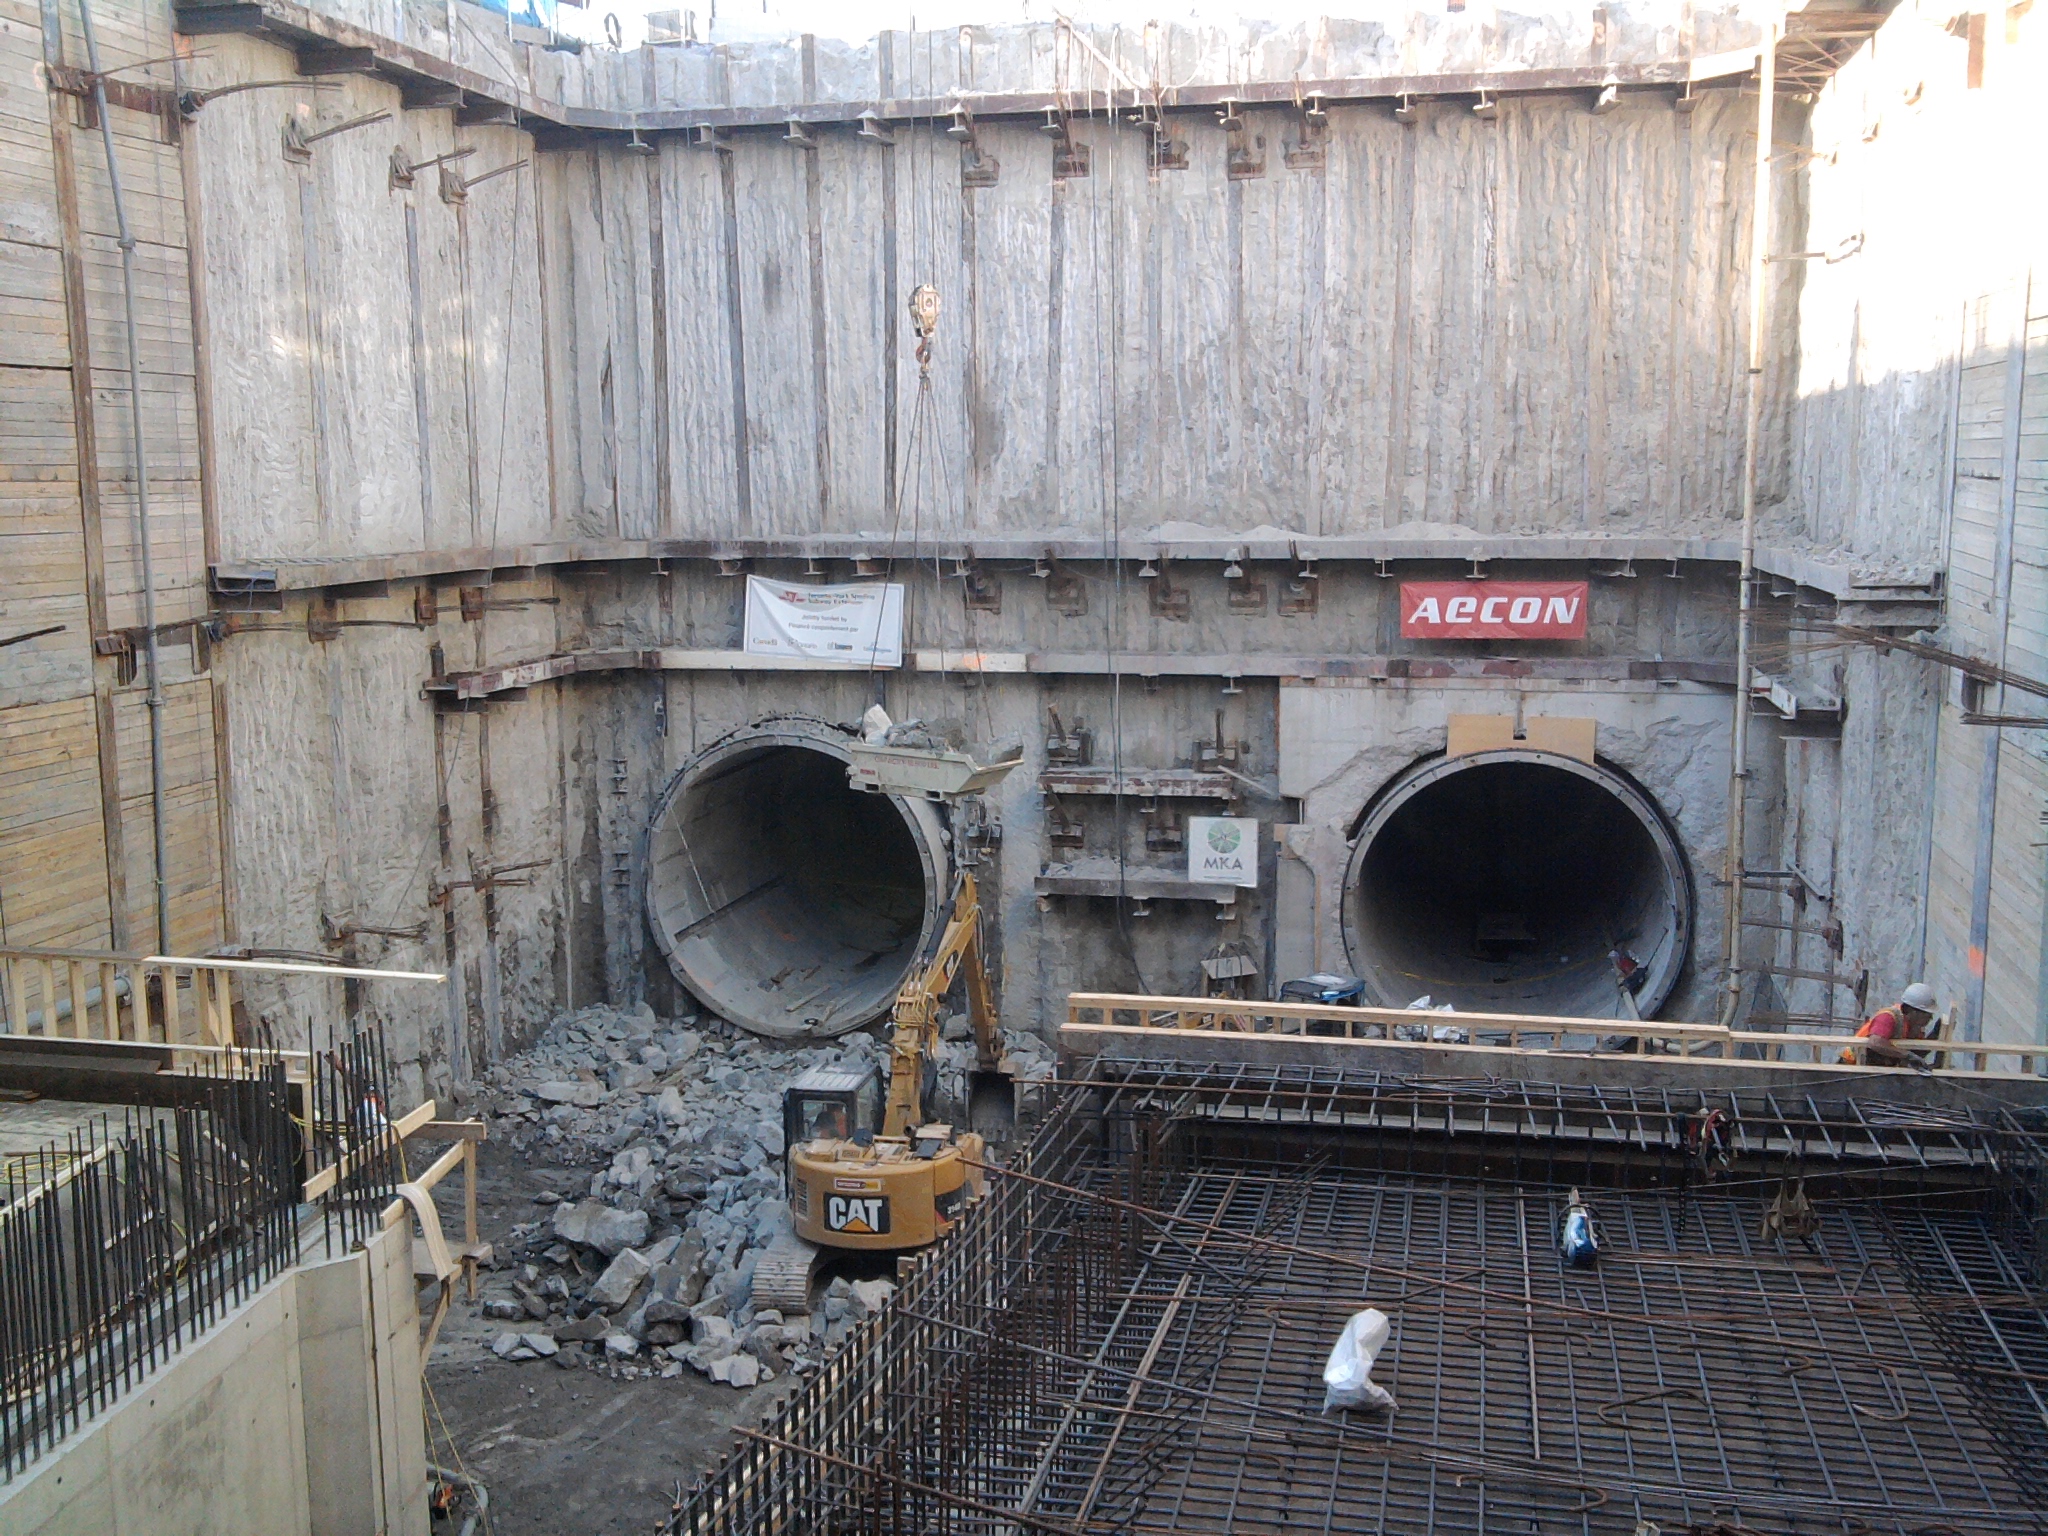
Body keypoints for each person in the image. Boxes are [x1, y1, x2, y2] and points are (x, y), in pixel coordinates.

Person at [1843, 982, 1940, 1067]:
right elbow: (1875, 1043)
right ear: (1914, 1012)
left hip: (1876, 1069)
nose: (1930, 1019)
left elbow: (1915, 1055)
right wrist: (1906, 1055)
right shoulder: (1888, 1017)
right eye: (1927, 1015)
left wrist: (1934, 1035)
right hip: (1851, 1066)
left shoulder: (1914, 1028)